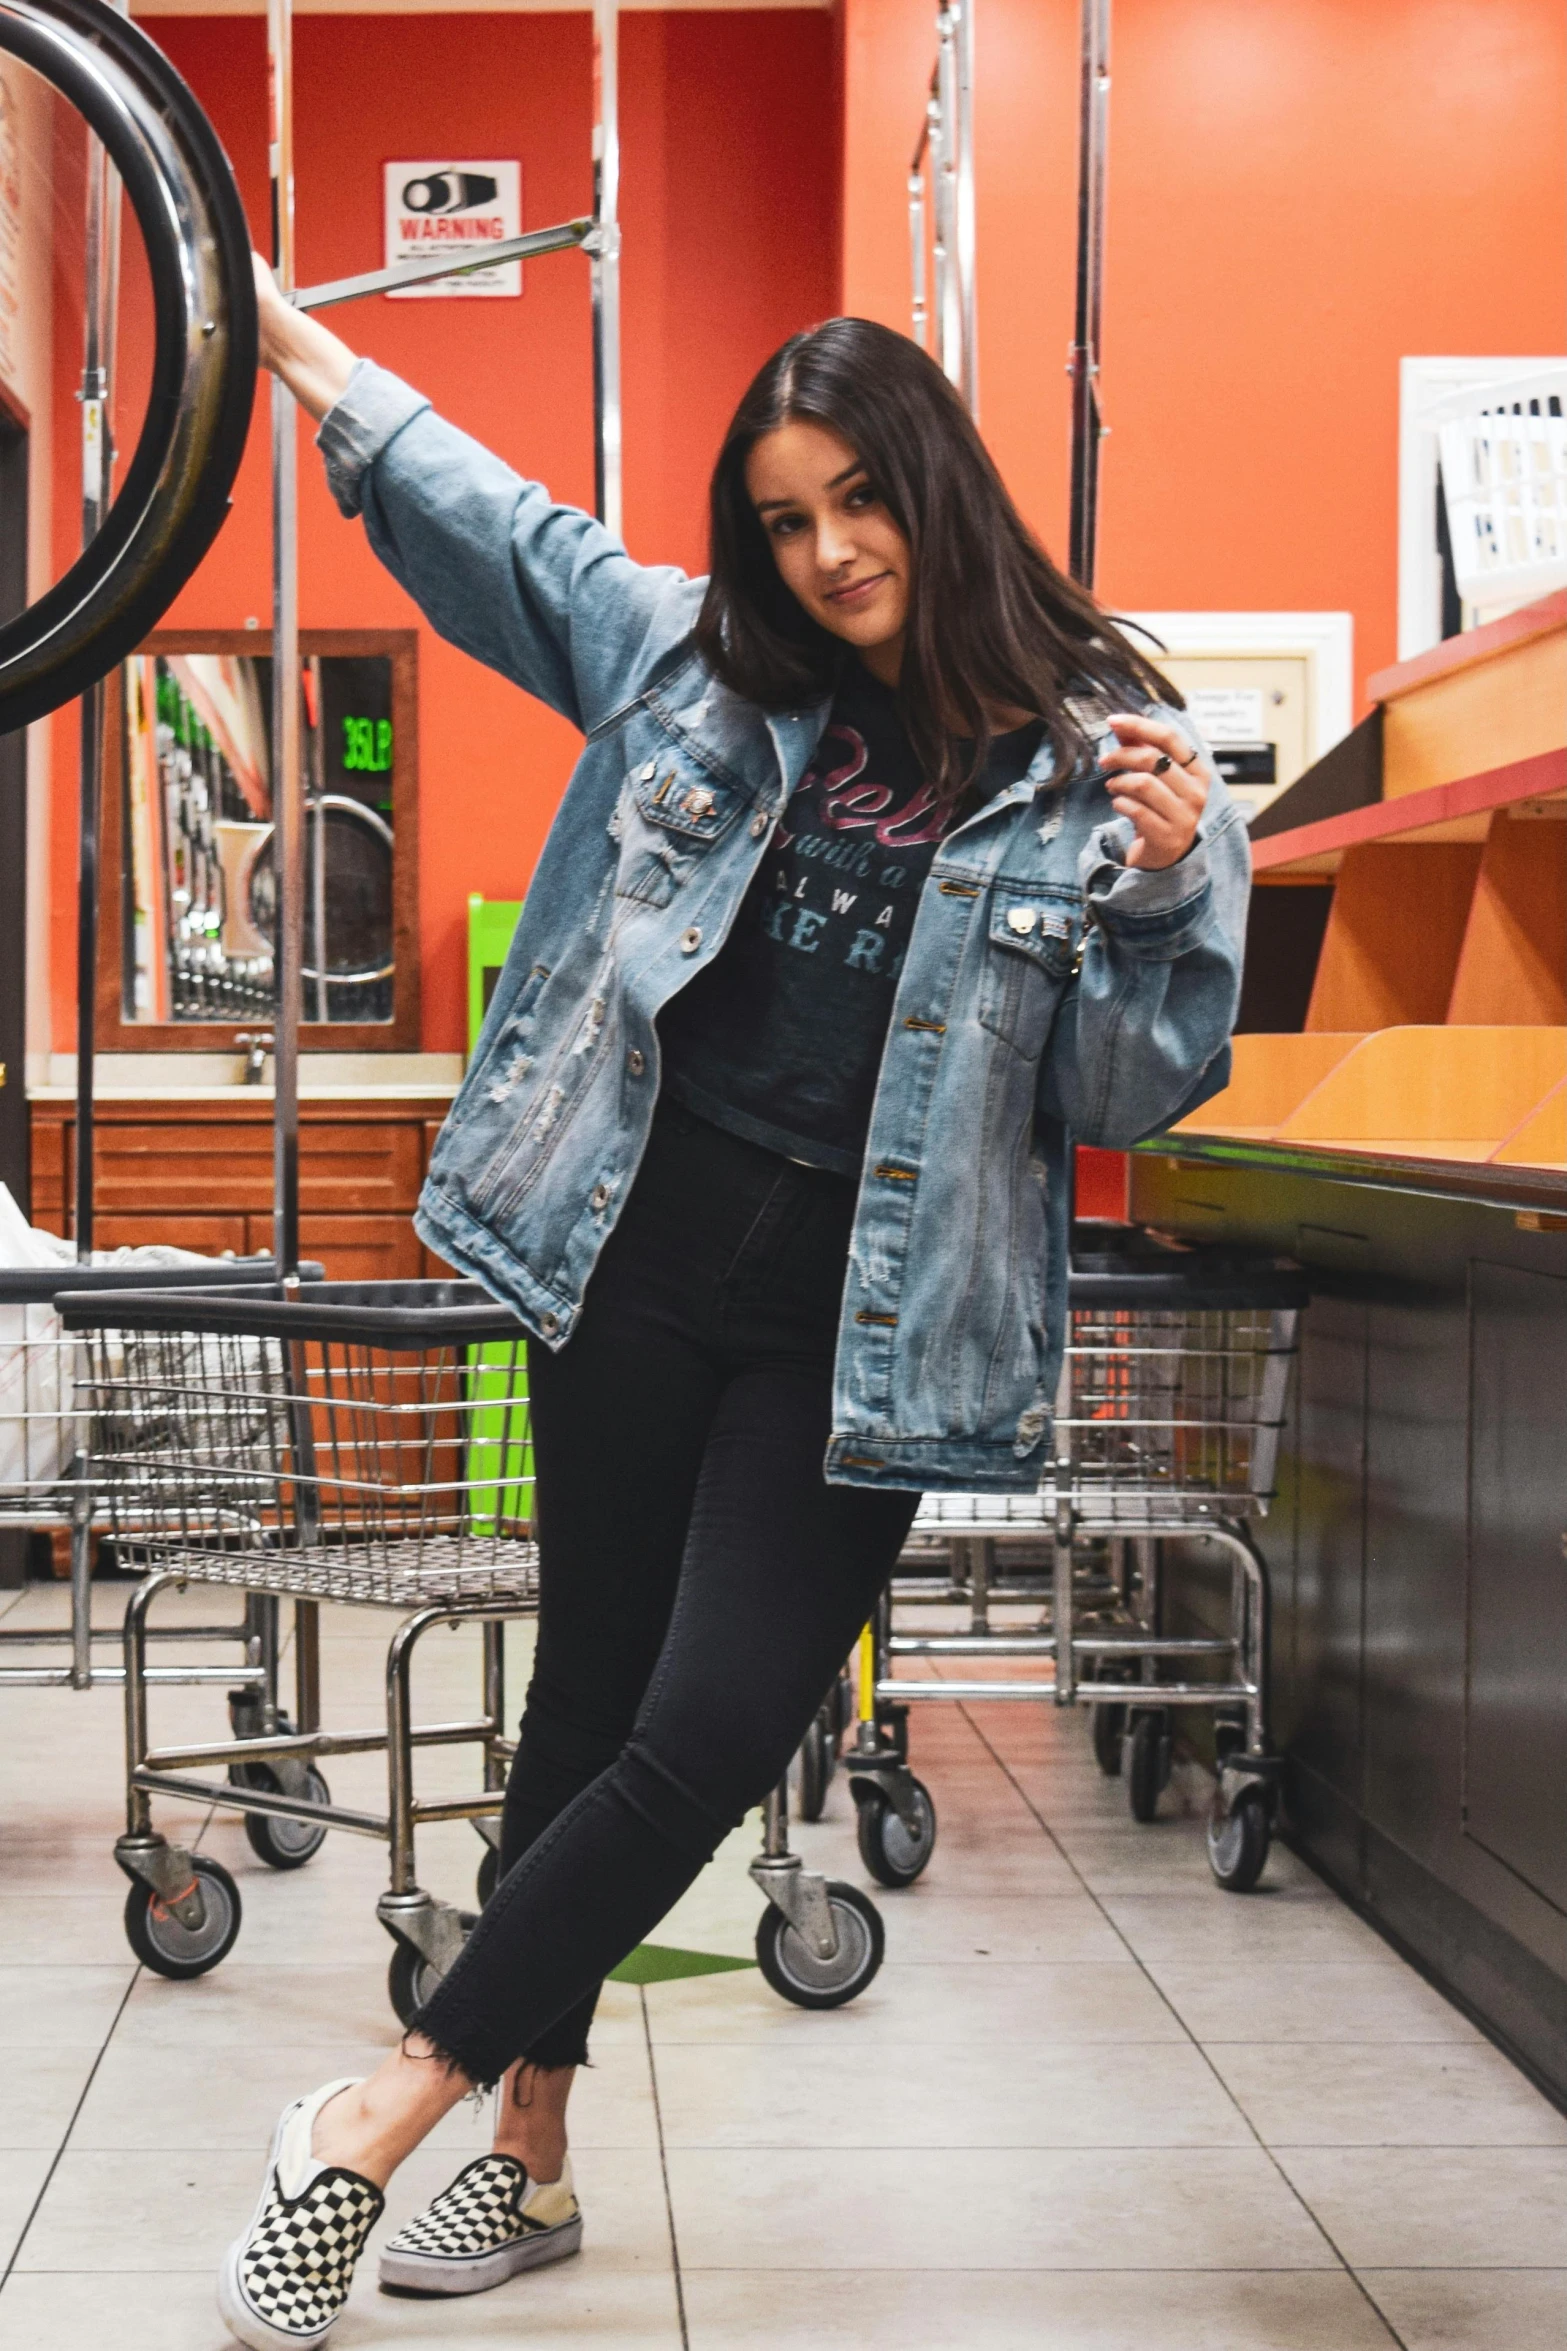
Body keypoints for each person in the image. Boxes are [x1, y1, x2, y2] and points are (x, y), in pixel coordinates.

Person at [220, 259, 1248, 2351]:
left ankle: (374, 2107)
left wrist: (1162, 888)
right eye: (783, 516)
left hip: (860, 1332)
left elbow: (1133, 1085)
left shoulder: (1094, 748)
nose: (827, 550)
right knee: (585, 1709)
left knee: (711, 1730)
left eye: (858, 497)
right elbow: (483, 514)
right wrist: (265, 319)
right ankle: (531, 2147)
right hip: (632, 1258)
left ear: (935, 483)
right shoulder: (691, 662)